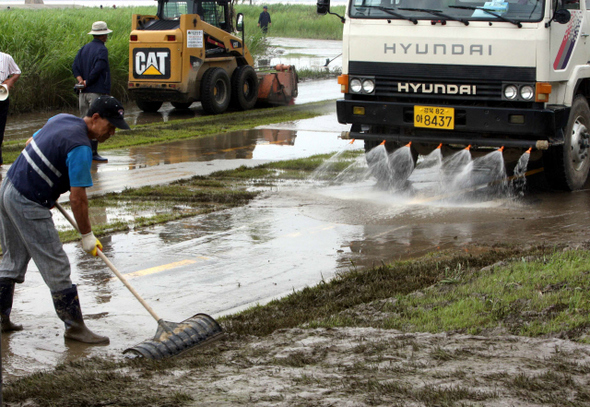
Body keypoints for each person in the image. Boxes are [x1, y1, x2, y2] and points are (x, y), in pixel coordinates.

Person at [0, 95, 130, 345]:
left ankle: (0, 319)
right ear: (94, 118)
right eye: (110, 126)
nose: (112, 132)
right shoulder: (81, 147)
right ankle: (75, 327)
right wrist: (87, 236)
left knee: (12, 258)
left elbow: (31, 140)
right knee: (56, 263)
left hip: (8, 187)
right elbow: (78, 198)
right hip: (27, 199)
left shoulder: (62, 119)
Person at [72, 21, 113, 163]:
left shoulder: (84, 48)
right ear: (103, 35)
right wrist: (88, 81)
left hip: (83, 92)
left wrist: (81, 81)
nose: (107, 37)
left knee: (84, 121)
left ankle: (83, 151)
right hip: (96, 90)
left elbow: (75, 66)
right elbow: (99, 67)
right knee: (96, 122)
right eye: (106, 34)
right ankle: (93, 152)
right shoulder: (102, 50)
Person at [0, 51, 21, 166]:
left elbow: (17, 72)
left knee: (0, 127)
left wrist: (9, 82)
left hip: (1, 93)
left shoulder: (6, 57)